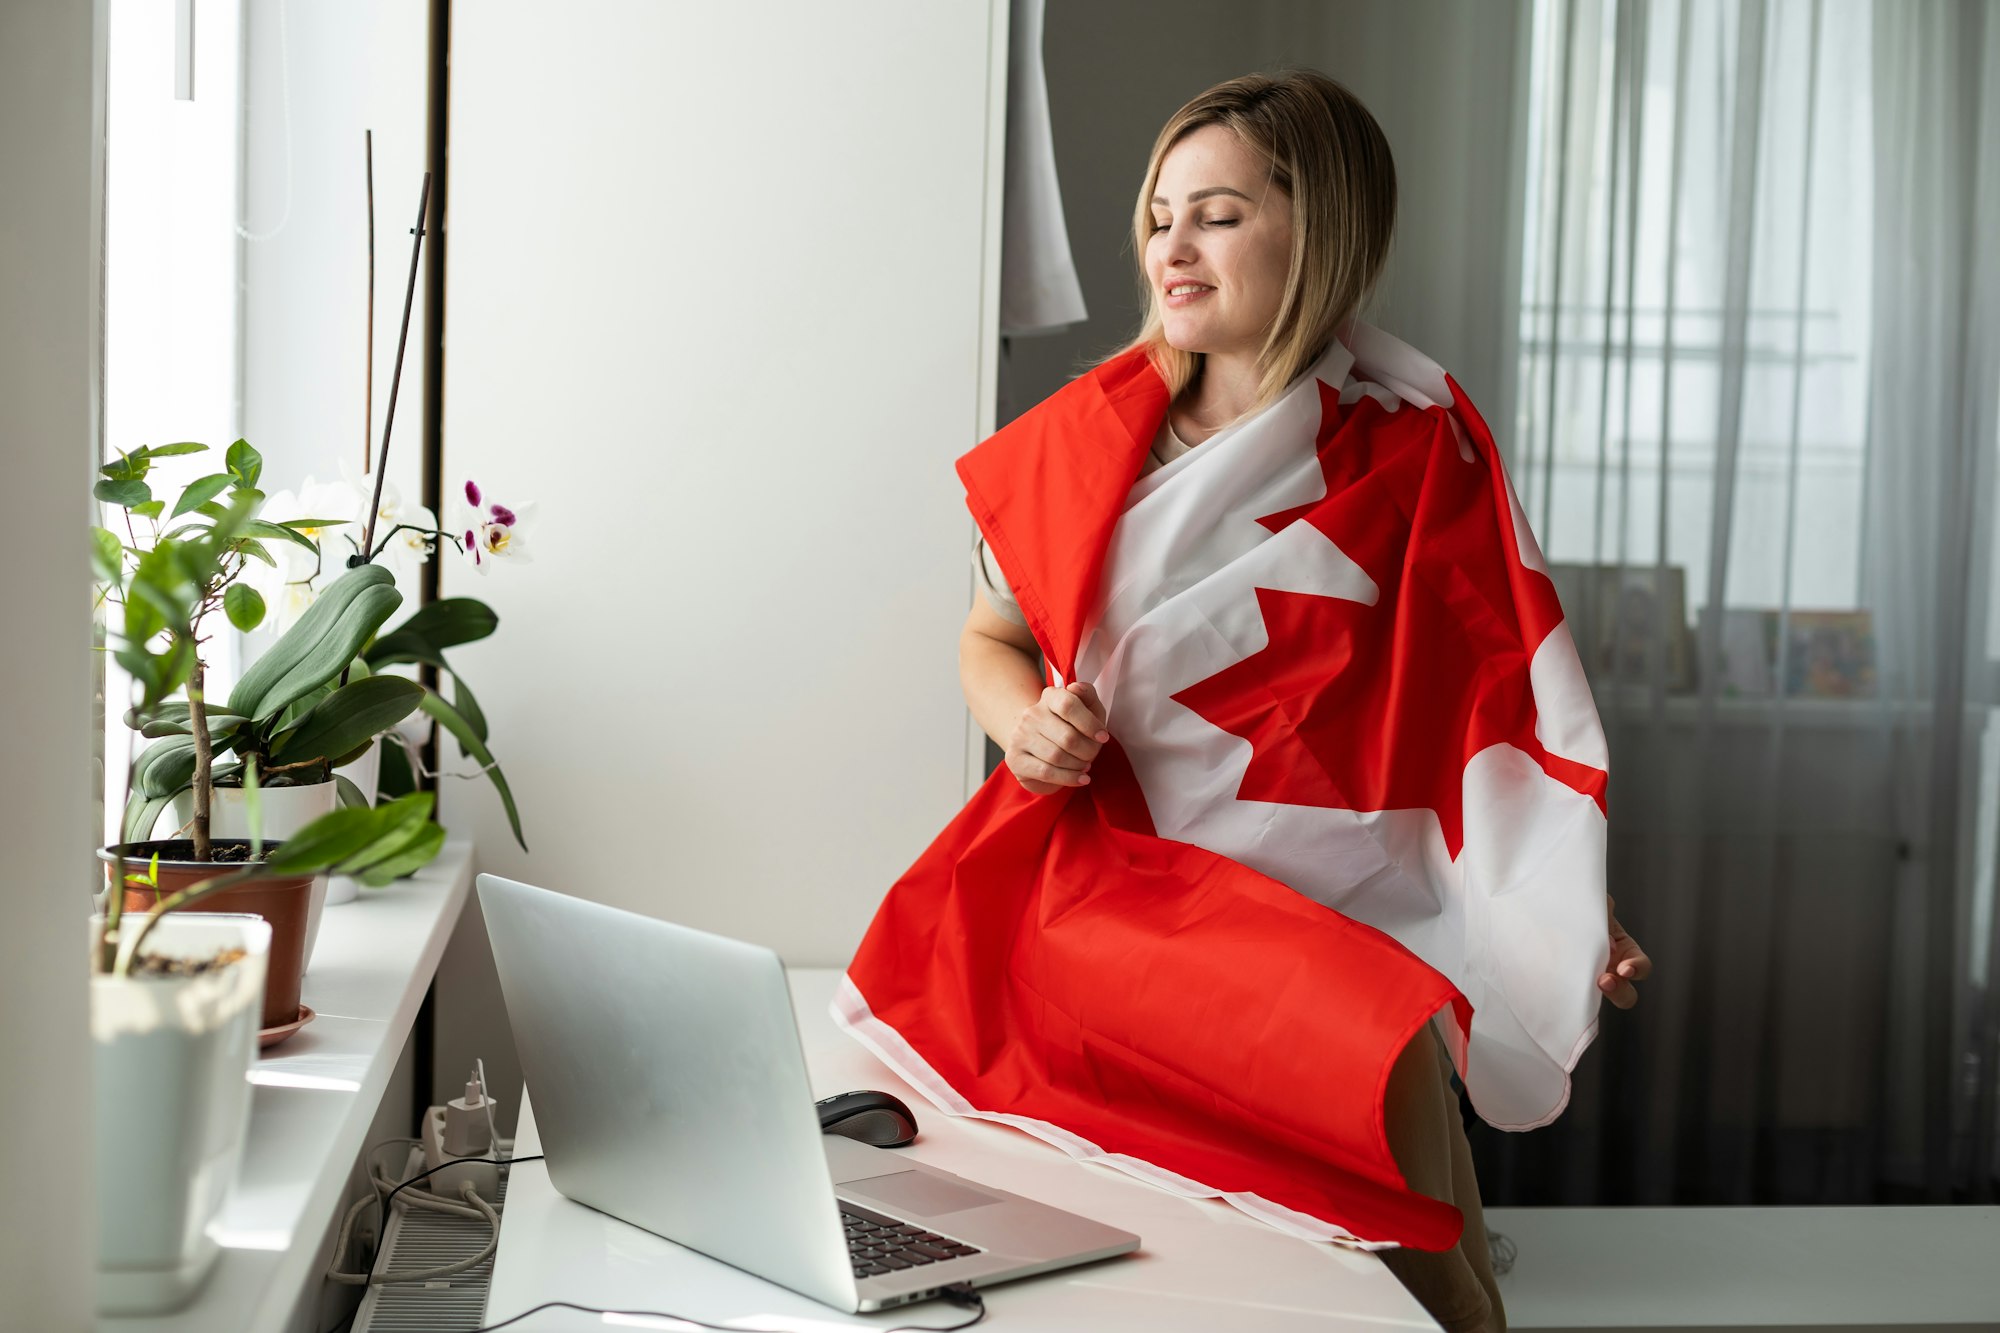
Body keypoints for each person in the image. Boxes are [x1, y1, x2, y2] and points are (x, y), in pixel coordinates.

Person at [955, 71, 1652, 1333]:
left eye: (1215, 214)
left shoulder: (1411, 450)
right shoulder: (1078, 441)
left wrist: (1555, 892)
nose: (1170, 243)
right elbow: (990, 637)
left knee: (1409, 1283)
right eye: (1159, 212)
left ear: (1315, 227)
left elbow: (1487, 705)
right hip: (1115, 908)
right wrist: (1022, 724)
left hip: (1333, 929)